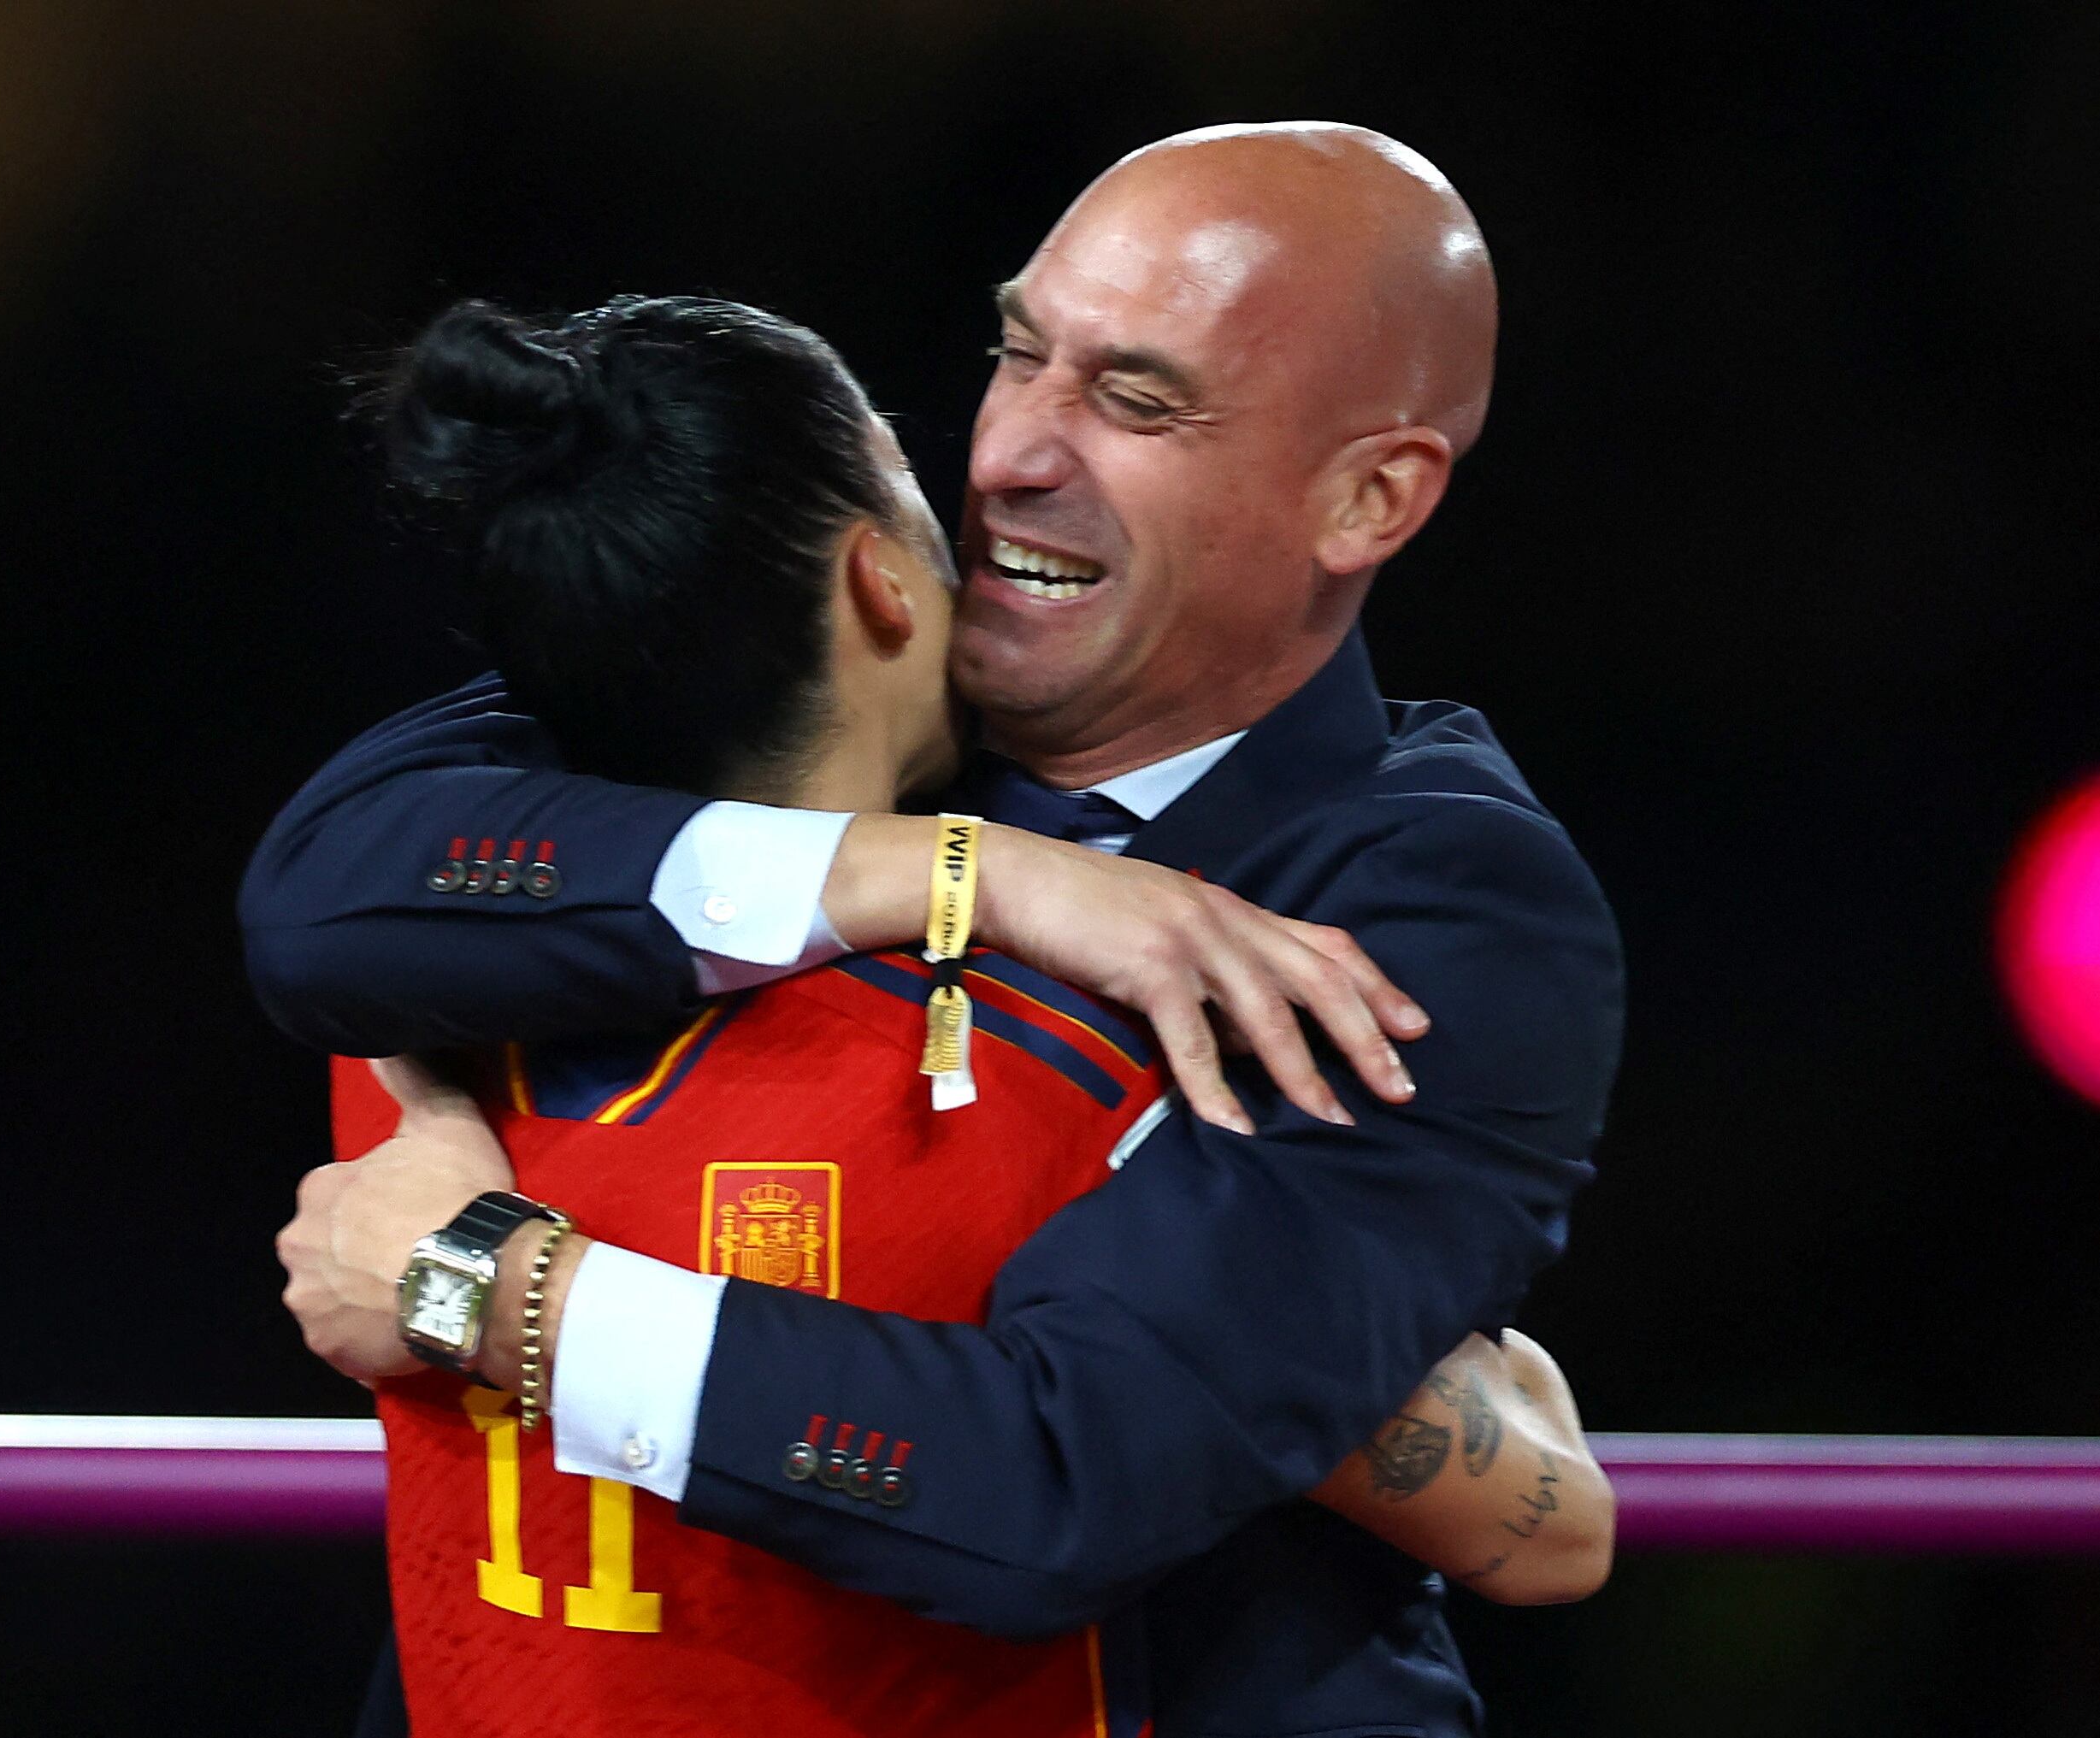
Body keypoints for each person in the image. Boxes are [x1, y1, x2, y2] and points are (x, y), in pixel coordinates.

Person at [253, 122, 1625, 1735]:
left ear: (1367, 495)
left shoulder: (1438, 901)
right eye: (1018, 353)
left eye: (1133, 400)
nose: (1005, 458)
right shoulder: (854, 668)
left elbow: (1060, 1475)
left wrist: (491, 1288)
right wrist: (956, 870)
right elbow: (325, 887)